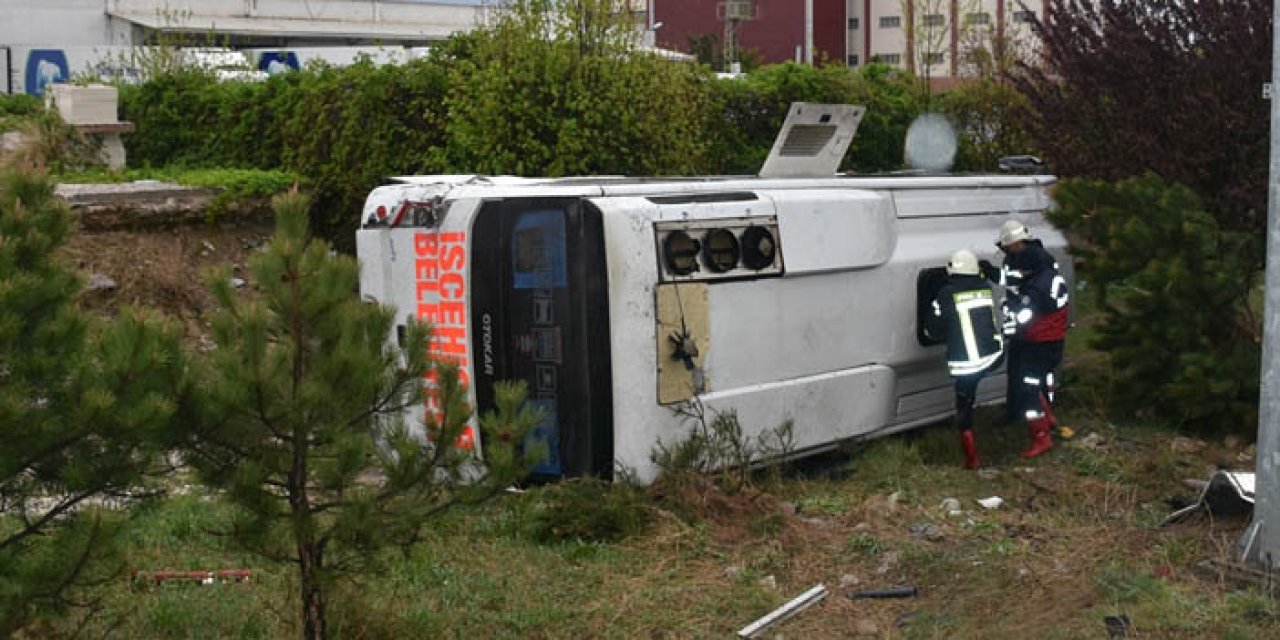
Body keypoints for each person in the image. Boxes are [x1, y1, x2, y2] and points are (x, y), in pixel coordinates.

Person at [981, 220, 1070, 459]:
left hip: (1040, 342)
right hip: (1043, 340)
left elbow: (1025, 314)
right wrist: (992, 273)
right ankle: (1045, 417)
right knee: (1026, 379)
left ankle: (1041, 438)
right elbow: (1014, 281)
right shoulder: (1042, 270)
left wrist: (1010, 312)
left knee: (1030, 388)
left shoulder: (1036, 287)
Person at [923, 249, 1004, 469]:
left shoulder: (946, 293)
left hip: (967, 365)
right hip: (993, 356)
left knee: (964, 407)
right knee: (970, 395)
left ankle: (972, 459)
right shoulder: (985, 288)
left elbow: (932, 330)